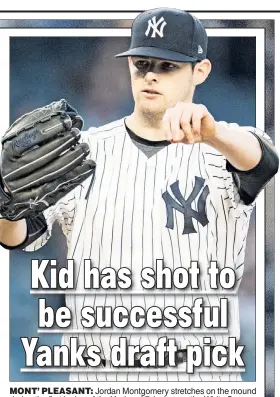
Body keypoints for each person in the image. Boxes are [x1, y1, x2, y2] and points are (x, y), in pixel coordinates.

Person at [0, 7, 278, 382]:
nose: (150, 74)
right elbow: (17, 237)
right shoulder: (82, 152)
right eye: (142, 62)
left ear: (200, 71)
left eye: (167, 66)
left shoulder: (222, 149)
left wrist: (213, 133)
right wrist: (6, 205)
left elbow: (264, 162)